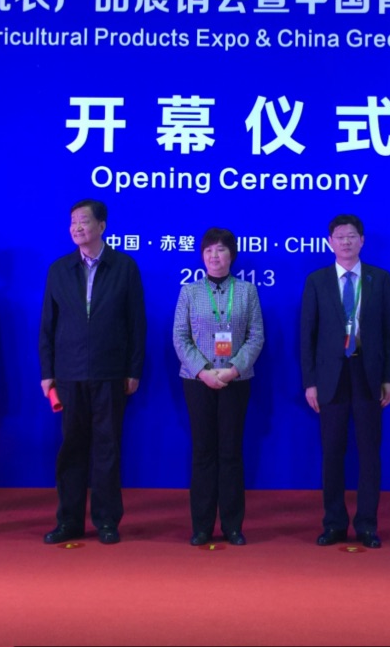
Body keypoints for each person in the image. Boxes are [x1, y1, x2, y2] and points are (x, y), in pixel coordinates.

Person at [39, 199, 146, 546]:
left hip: (110, 372)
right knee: (71, 449)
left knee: (107, 448)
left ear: (102, 226)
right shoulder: (59, 269)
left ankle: (106, 521)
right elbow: (47, 325)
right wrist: (47, 372)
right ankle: (68, 521)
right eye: (73, 222)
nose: (77, 228)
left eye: (84, 221)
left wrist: (133, 369)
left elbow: (136, 323)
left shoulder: (124, 266)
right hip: (68, 374)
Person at [300, 214, 390, 549]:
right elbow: (307, 335)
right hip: (330, 378)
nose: (346, 241)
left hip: (368, 376)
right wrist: (310, 382)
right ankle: (334, 524)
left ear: (362, 240)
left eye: (352, 236)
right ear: (330, 242)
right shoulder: (317, 280)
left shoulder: (379, 279)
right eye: (340, 236)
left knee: (370, 453)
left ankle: (367, 525)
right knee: (332, 452)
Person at [172, 228, 265, 546]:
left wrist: (233, 369)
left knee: (231, 452)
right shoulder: (190, 291)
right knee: (203, 452)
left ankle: (232, 525)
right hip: (197, 381)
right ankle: (201, 526)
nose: (215, 255)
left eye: (221, 250)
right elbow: (180, 337)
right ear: (202, 255)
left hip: (236, 381)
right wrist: (204, 372)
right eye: (209, 250)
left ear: (232, 256)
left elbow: (256, 336)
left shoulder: (247, 291)